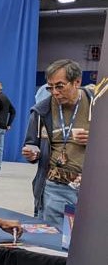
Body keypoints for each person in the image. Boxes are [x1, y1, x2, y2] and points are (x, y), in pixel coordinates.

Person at [22, 59, 92, 224]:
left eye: (60, 86)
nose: (54, 92)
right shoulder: (41, 110)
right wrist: (32, 153)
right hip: (55, 187)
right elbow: (32, 142)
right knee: (52, 242)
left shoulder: (98, 104)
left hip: (93, 189)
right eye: (50, 87)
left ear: (77, 82)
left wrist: (96, 140)